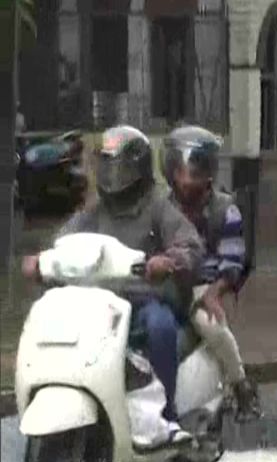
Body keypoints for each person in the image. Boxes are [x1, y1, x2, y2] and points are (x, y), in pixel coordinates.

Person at [20, 125, 204, 445]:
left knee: (160, 327)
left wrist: (169, 260)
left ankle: (168, 416)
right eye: (106, 164)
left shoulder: (158, 207)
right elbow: (64, 240)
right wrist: (42, 260)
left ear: (140, 167)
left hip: (147, 302)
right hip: (101, 304)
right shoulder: (95, 212)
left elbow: (190, 245)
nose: (112, 174)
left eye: (120, 166)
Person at [162, 125, 261, 421]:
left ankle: (242, 385)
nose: (185, 179)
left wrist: (214, 293)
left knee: (211, 325)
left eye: (193, 172)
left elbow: (232, 260)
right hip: (166, 284)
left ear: (207, 173)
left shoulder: (224, 210)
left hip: (204, 285)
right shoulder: (162, 207)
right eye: (179, 171)